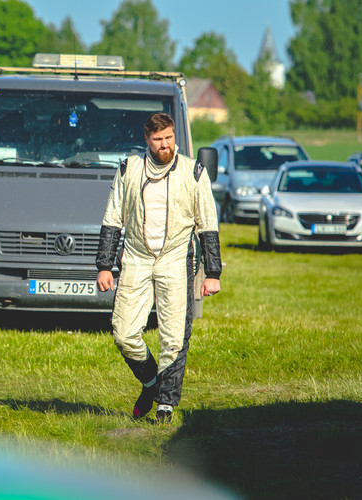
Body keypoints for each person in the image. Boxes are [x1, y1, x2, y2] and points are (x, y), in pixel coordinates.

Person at [95, 112, 222, 423]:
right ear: (147, 141)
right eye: (158, 140)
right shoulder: (129, 169)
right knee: (124, 333)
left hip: (177, 258)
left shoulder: (193, 171)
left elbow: (208, 223)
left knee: (174, 337)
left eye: (169, 138)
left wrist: (213, 272)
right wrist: (105, 266)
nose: (165, 145)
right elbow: (112, 219)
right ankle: (151, 382)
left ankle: (166, 404)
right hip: (136, 256)